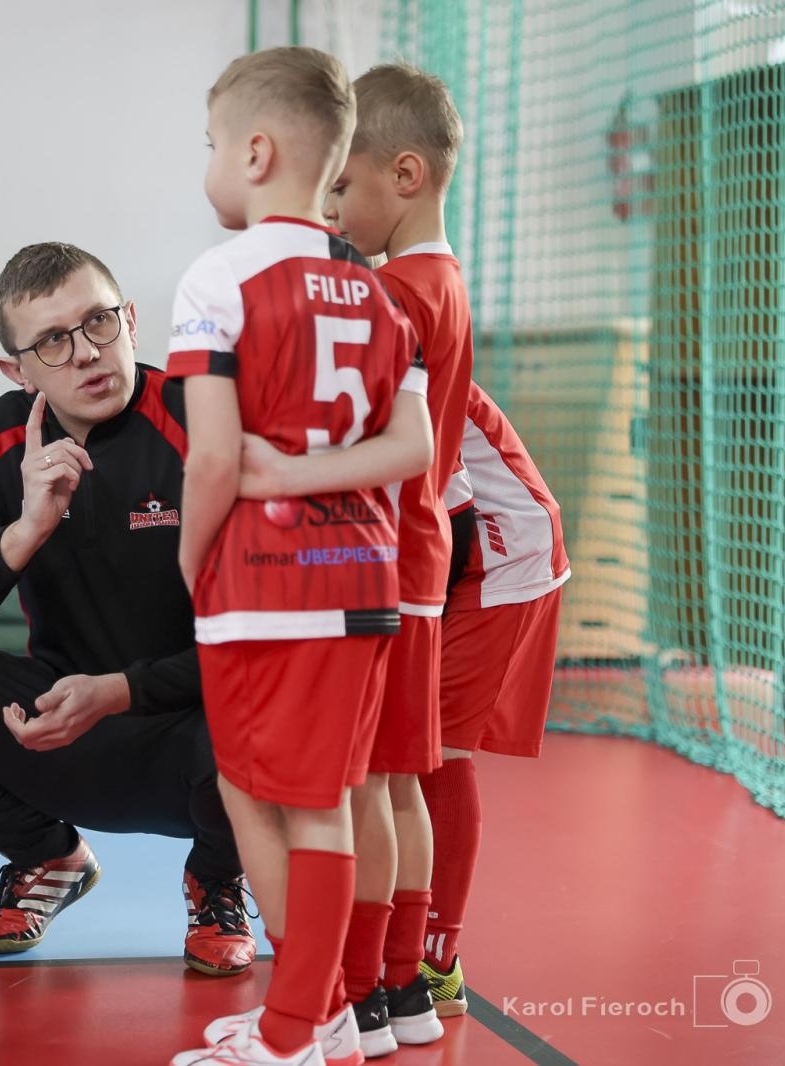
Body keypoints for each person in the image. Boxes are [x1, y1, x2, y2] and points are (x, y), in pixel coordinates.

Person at [0, 241, 257, 978]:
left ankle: (218, 877)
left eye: (97, 324)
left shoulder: (201, 417)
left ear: (130, 320)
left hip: (204, 734)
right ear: (17, 371)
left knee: (284, 697)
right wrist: (22, 533)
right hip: (60, 728)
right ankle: (46, 855)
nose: (86, 355)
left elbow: (261, 639)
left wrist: (122, 691)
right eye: (52, 343)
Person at [168, 48, 432, 1066]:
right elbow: (410, 451)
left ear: (256, 150)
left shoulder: (216, 274)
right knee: (323, 800)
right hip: (365, 584)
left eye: (210, 146)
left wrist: (192, 564)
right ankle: (315, 1018)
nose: (209, 167)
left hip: (261, 586)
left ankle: (293, 1031)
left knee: (255, 796)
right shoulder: (376, 290)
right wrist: (308, 477)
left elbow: (218, 458)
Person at [322, 62, 470, 1056]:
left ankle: (365, 992)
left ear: (404, 175)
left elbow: (365, 438)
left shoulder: (393, 297)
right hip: (420, 558)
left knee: (366, 784)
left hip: (379, 559)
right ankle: (407, 988)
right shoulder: (443, 282)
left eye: (341, 183)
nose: (329, 206)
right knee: (402, 781)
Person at [417, 383, 570, 1015]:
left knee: (434, 753)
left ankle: (436, 960)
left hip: (497, 558)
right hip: (461, 547)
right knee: (405, 749)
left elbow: (446, 508)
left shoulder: (400, 361)